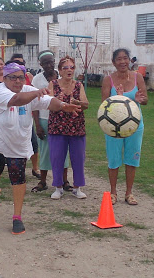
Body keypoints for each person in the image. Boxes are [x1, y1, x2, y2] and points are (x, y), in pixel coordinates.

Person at [0, 62, 80, 234]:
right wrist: (36, 92)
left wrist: (64, 106)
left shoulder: (28, 90)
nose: (18, 81)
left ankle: (17, 217)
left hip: (18, 143)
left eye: (21, 77)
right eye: (13, 78)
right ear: (4, 78)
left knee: (17, 176)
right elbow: (16, 100)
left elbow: (50, 102)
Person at [101, 49, 148, 205]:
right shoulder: (108, 80)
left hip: (134, 126)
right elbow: (104, 105)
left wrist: (139, 99)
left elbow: (145, 99)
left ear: (129, 60)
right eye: (119, 59)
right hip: (113, 128)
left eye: (125, 58)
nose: (122, 62)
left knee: (132, 159)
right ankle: (113, 192)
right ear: (113, 62)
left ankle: (129, 193)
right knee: (114, 159)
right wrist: (118, 98)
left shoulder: (138, 77)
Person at [48, 56, 89, 200]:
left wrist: (77, 102)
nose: (69, 70)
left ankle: (77, 187)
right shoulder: (52, 84)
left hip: (76, 127)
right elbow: (49, 104)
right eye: (65, 68)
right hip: (57, 127)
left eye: (72, 67)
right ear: (59, 70)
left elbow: (86, 104)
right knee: (57, 157)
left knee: (78, 157)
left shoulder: (79, 85)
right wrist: (60, 103)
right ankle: (58, 187)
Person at [31, 50, 72, 192]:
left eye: (51, 62)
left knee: (63, 150)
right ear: (40, 64)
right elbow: (34, 103)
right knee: (45, 150)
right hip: (44, 119)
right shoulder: (37, 80)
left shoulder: (62, 76)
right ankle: (43, 181)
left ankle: (64, 180)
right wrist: (37, 125)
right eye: (45, 63)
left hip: (62, 119)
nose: (49, 65)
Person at [10, 54, 40, 180]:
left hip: (26, 116)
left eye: (22, 63)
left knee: (33, 142)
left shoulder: (28, 78)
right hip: (11, 116)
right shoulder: (8, 79)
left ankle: (35, 168)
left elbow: (35, 98)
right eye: (16, 63)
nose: (19, 65)